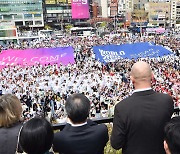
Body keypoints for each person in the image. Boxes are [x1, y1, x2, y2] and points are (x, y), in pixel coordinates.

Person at [111, 61, 174, 154]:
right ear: (152, 76)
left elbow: (116, 144)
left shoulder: (122, 107)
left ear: (131, 79)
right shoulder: (166, 101)